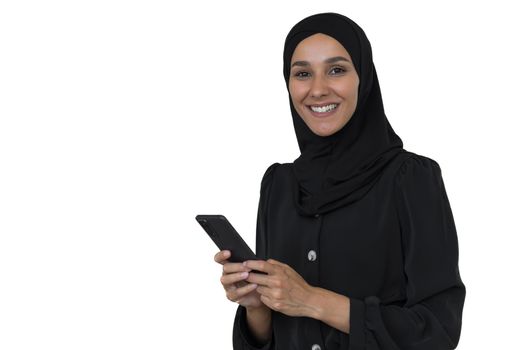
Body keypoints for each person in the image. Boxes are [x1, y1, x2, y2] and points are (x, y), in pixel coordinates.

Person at [214, 12, 465, 350]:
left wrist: (312, 300)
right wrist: (257, 307)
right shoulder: (279, 185)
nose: (317, 89)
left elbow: (438, 331)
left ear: (364, 78)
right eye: (303, 73)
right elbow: (271, 338)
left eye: (336, 70)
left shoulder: (410, 179)